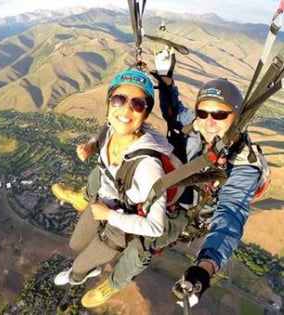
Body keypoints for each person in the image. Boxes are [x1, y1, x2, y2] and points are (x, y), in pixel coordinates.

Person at [53, 48, 269, 308]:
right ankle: (84, 197)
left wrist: (204, 269)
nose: (210, 121)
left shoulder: (244, 165)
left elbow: (230, 217)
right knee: (119, 161)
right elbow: (173, 110)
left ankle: (113, 284)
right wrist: (165, 77)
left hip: (182, 210)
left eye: (220, 115)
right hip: (164, 176)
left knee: (142, 246)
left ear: (235, 117)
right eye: (204, 112)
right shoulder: (196, 123)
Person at [53, 69, 187, 308]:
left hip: (121, 221)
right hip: (103, 203)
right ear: (109, 103)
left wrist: (109, 216)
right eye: (119, 100)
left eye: (138, 104)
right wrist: (91, 146)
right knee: (75, 244)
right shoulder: (111, 128)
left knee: (79, 266)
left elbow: (155, 228)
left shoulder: (148, 166)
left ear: (145, 113)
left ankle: (81, 277)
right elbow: (106, 132)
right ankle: (83, 212)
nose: (126, 109)